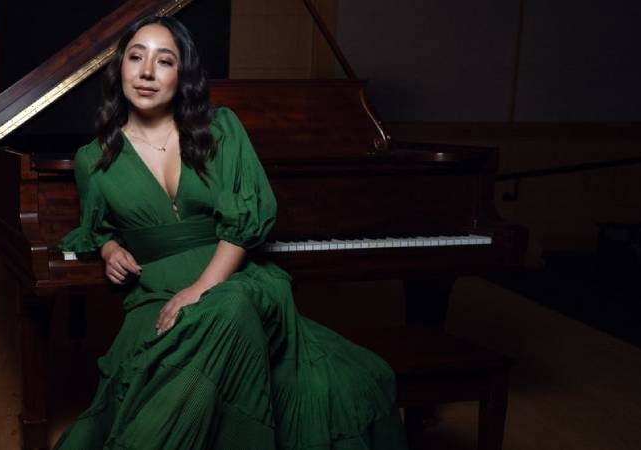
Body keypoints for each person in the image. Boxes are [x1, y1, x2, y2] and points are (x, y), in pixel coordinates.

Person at [53, 15, 408, 450]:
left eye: (164, 61)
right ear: (120, 68)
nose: (146, 72)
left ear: (181, 75)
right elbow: (97, 227)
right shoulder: (94, 158)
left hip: (238, 281)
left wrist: (200, 289)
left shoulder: (221, 130)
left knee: (235, 306)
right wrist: (109, 249)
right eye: (135, 57)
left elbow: (247, 222)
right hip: (155, 298)